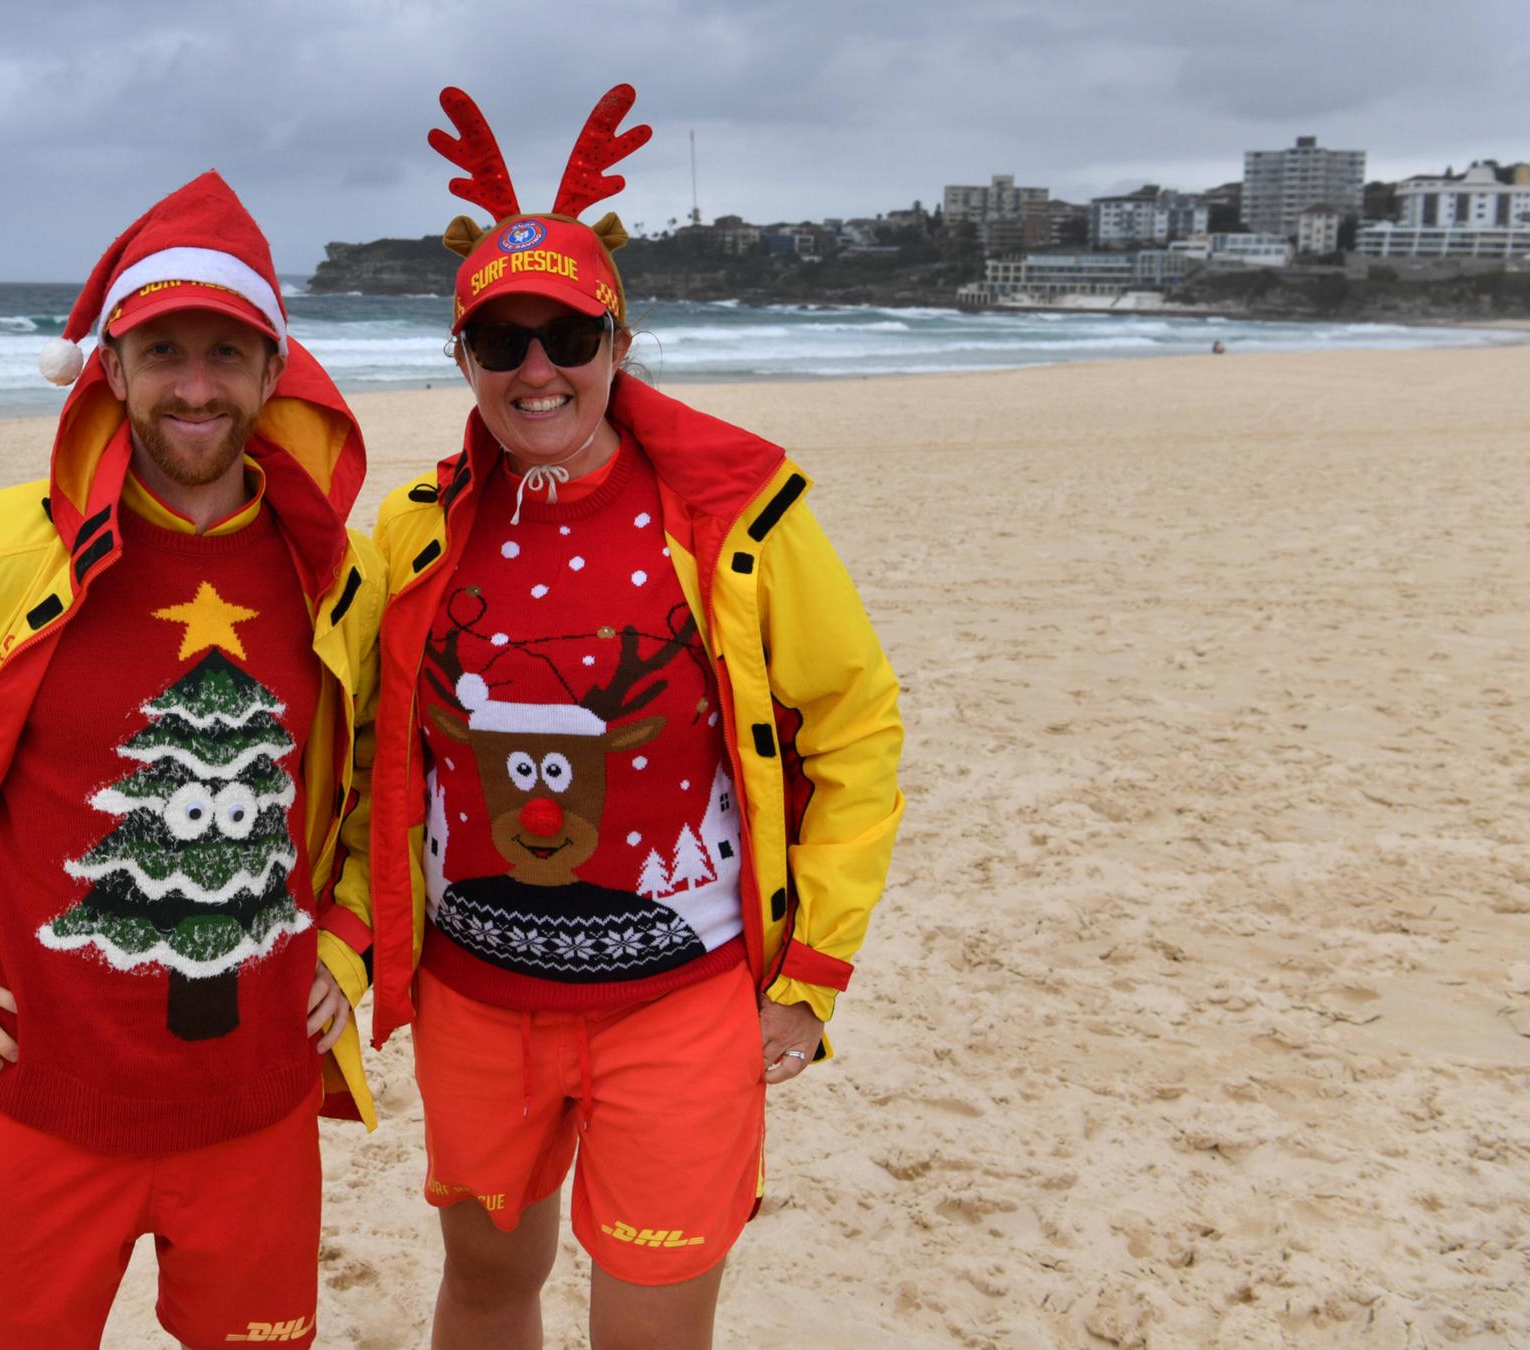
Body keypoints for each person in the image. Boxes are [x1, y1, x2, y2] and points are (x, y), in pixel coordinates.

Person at [0, 172, 384, 1349]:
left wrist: (350, 940)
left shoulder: (340, 575)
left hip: (259, 1115)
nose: (195, 385)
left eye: (227, 353)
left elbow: (385, 789)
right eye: (162, 352)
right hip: (39, 1107)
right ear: (113, 371)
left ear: (273, 371)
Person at [352, 85, 906, 1349]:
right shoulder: (417, 528)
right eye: (501, 341)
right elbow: (361, 736)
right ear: (461, 358)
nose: (536, 369)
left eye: (567, 334)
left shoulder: (734, 520)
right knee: (487, 1283)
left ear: (619, 340)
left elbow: (854, 726)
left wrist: (814, 974)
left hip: (679, 1003)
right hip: (475, 1002)